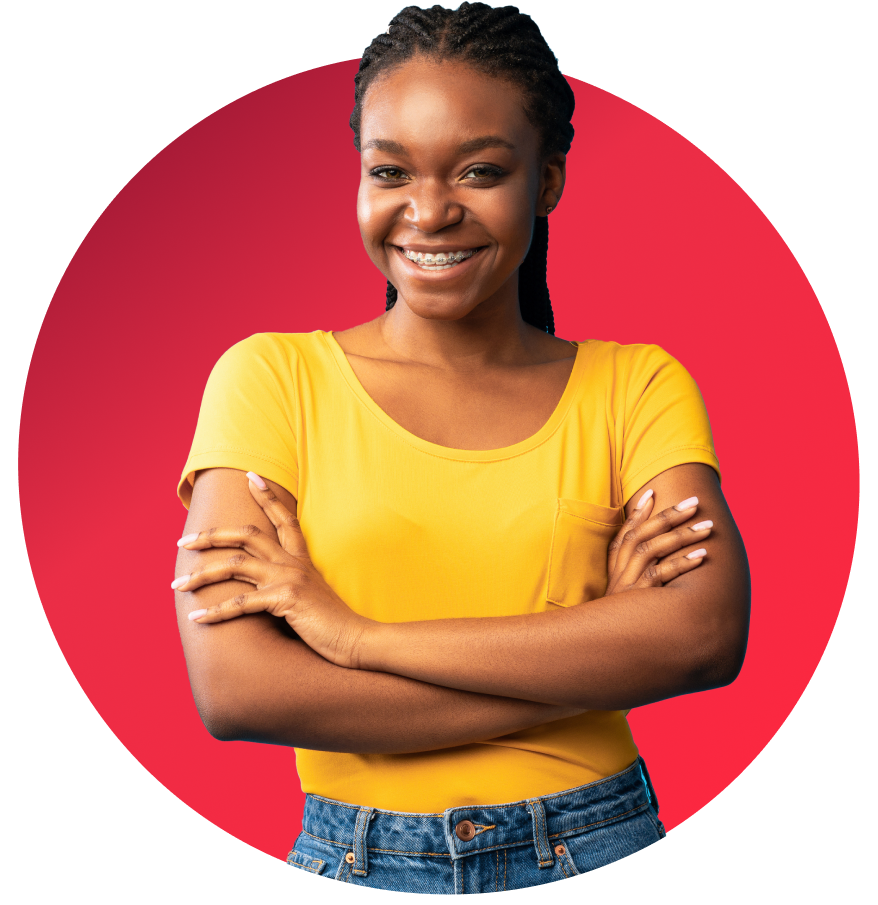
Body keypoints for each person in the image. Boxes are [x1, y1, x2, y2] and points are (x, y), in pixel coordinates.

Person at [173, 2, 750, 891]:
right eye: (391, 170)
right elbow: (240, 691)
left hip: (601, 837)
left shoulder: (636, 385)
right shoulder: (269, 379)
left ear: (547, 181)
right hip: (359, 857)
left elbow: (704, 634)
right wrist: (596, 651)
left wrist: (353, 638)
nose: (429, 211)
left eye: (480, 170)